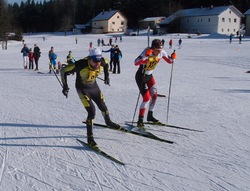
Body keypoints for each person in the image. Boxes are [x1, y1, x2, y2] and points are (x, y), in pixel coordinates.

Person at [60, 48, 120, 147]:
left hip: (94, 87)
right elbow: (63, 71)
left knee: (103, 107)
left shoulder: (102, 62)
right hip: (82, 89)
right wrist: (65, 86)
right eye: (95, 61)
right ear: (90, 60)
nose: (98, 64)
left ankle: (108, 122)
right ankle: (90, 138)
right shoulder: (80, 64)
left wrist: (106, 77)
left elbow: (106, 64)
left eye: (99, 61)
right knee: (91, 111)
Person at [134, 39, 175, 129]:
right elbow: (136, 62)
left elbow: (170, 61)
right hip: (141, 77)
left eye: (160, 49)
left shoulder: (162, 52)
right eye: (158, 50)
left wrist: (172, 57)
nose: (159, 52)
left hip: (149, 76)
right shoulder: (146, 51)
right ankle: (140, 120)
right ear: (153, 48)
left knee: (155, 96)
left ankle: (150, 116)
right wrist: (145, 56)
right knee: (146, 98)